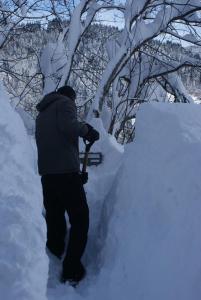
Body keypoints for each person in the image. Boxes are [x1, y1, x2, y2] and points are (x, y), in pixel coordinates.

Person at [35, 86, 99, 284]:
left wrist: (76, 175)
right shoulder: (64, 103)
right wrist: (88, 130)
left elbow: (58, 142)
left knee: (55, 216)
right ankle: (71, 269)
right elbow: (69, 126)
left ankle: (54, 251)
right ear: (70, 96)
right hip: (65, 175)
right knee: (80, 219)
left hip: (48, 175)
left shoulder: (42, 114)